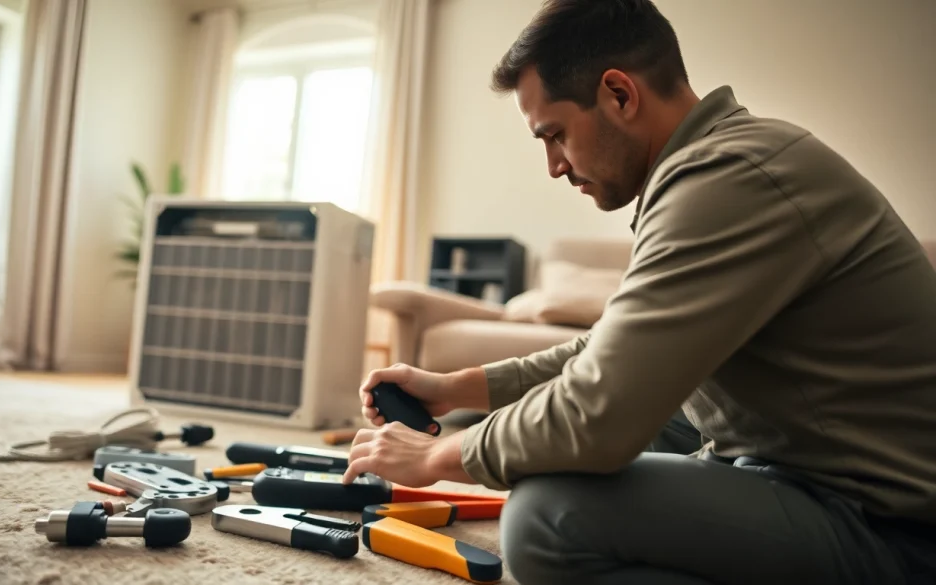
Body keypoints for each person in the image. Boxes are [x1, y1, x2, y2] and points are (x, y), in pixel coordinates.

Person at [342, 0, 936, 583]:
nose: (553, 165)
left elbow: (600, 413)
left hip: (887, 523)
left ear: (619, 95)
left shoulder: (729, 179)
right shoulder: (714, 164)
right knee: (626, 419)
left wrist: (440, 458)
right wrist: (458, 388)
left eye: (554, 135)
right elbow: (609, 355)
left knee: (547, 514)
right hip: (794, 456)